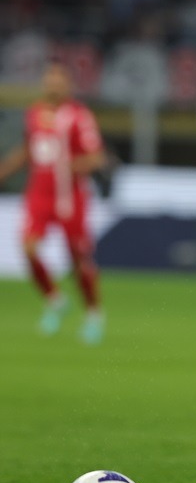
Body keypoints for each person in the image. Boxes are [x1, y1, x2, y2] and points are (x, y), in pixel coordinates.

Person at [0, 62, 107, 345]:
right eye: (49, 80)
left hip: (70, 197)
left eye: (59, 80)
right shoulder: (34, 113)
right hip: (39, 193)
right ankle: (54, 298)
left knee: (78, 259)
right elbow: (28, 149)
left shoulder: (79, 116)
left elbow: (96, 157)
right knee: (28, 246)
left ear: (69, 85)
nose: (53, 85)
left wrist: (69, 164)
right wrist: (5, 170)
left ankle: (93, 314)